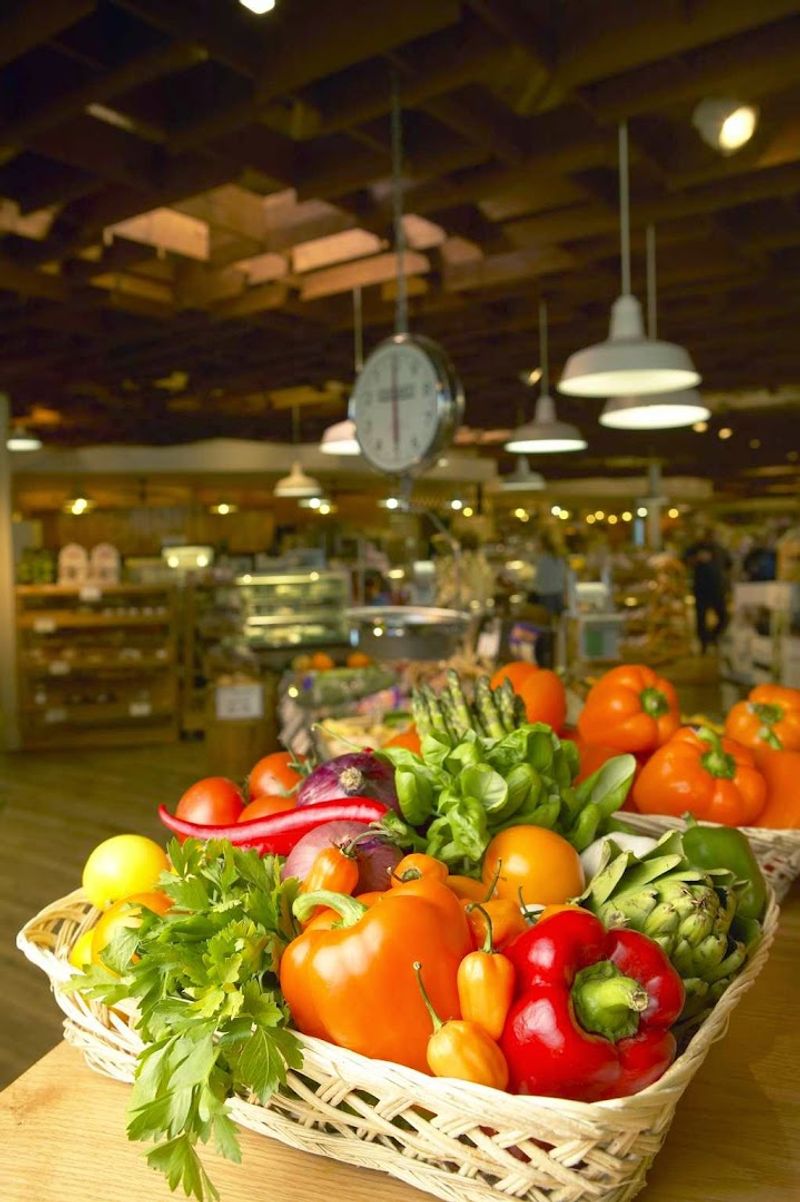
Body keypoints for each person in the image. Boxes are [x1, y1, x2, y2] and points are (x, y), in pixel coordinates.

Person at [683, 527, 732, 653]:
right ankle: (704, 644)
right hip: (701, 588)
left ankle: (712, 637)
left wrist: (727, 584)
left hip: (717, 588)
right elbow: (684, 561)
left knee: (724, 617)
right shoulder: (695, 548)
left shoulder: (720, 549)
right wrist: (696, 559)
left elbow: (728, 565)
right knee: (701, 618)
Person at [532, 530, 568, 619]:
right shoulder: (558, 557)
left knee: (548, 619)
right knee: (558, 619)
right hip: (558, 591)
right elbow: (564, 575)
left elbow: (538, 578)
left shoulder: (542, 559)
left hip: (546, 593)